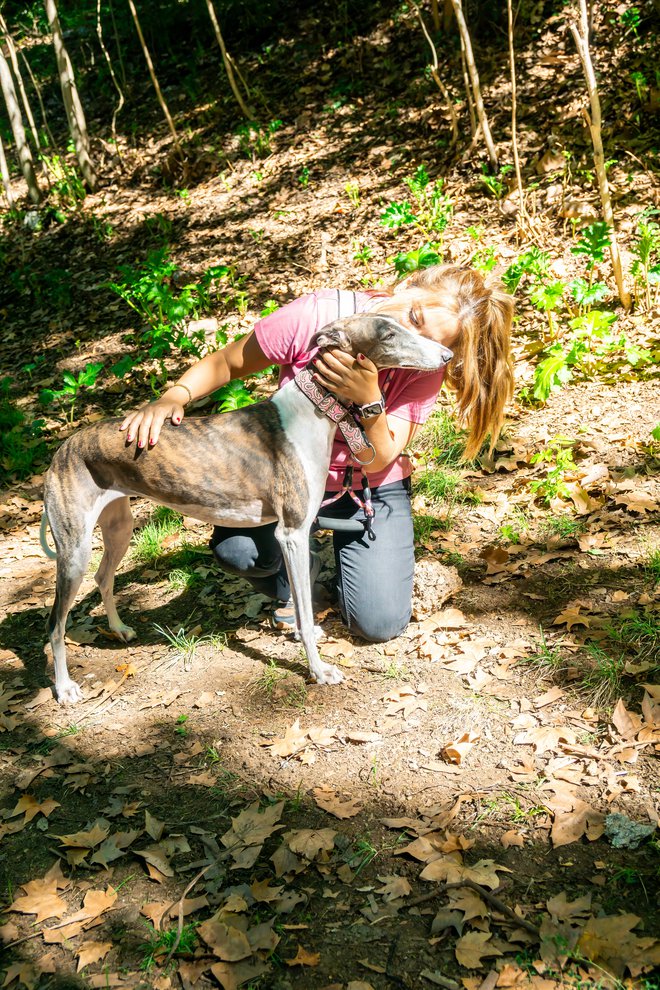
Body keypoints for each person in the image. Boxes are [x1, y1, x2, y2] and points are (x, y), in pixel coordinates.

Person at [120, 265, 514, 642]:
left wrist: (370, 400)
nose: (409, 333)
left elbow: (380, 457)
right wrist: (175, 395)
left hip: (362, 484)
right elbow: (228, 362)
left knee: (377, 624)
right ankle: (300, 576)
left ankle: (349, 566)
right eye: (413, 316)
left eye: (429, 341)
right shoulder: (320, 313)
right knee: (239, 554)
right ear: (407, 286)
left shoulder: (423, 363)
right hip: (283, 473)